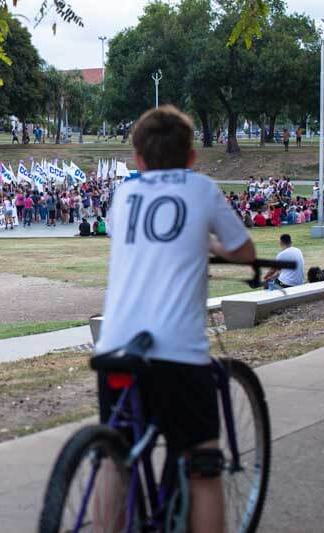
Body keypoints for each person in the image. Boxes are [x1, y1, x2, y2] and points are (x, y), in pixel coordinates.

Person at [95, 106, 256, 533]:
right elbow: (243, 249)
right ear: (192, 156)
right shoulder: (202, 190)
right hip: (177, 352)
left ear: (138, 159)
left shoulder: (125, 194)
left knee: (117, 456)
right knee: (203, 466)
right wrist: (211, 247)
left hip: (116, 346)